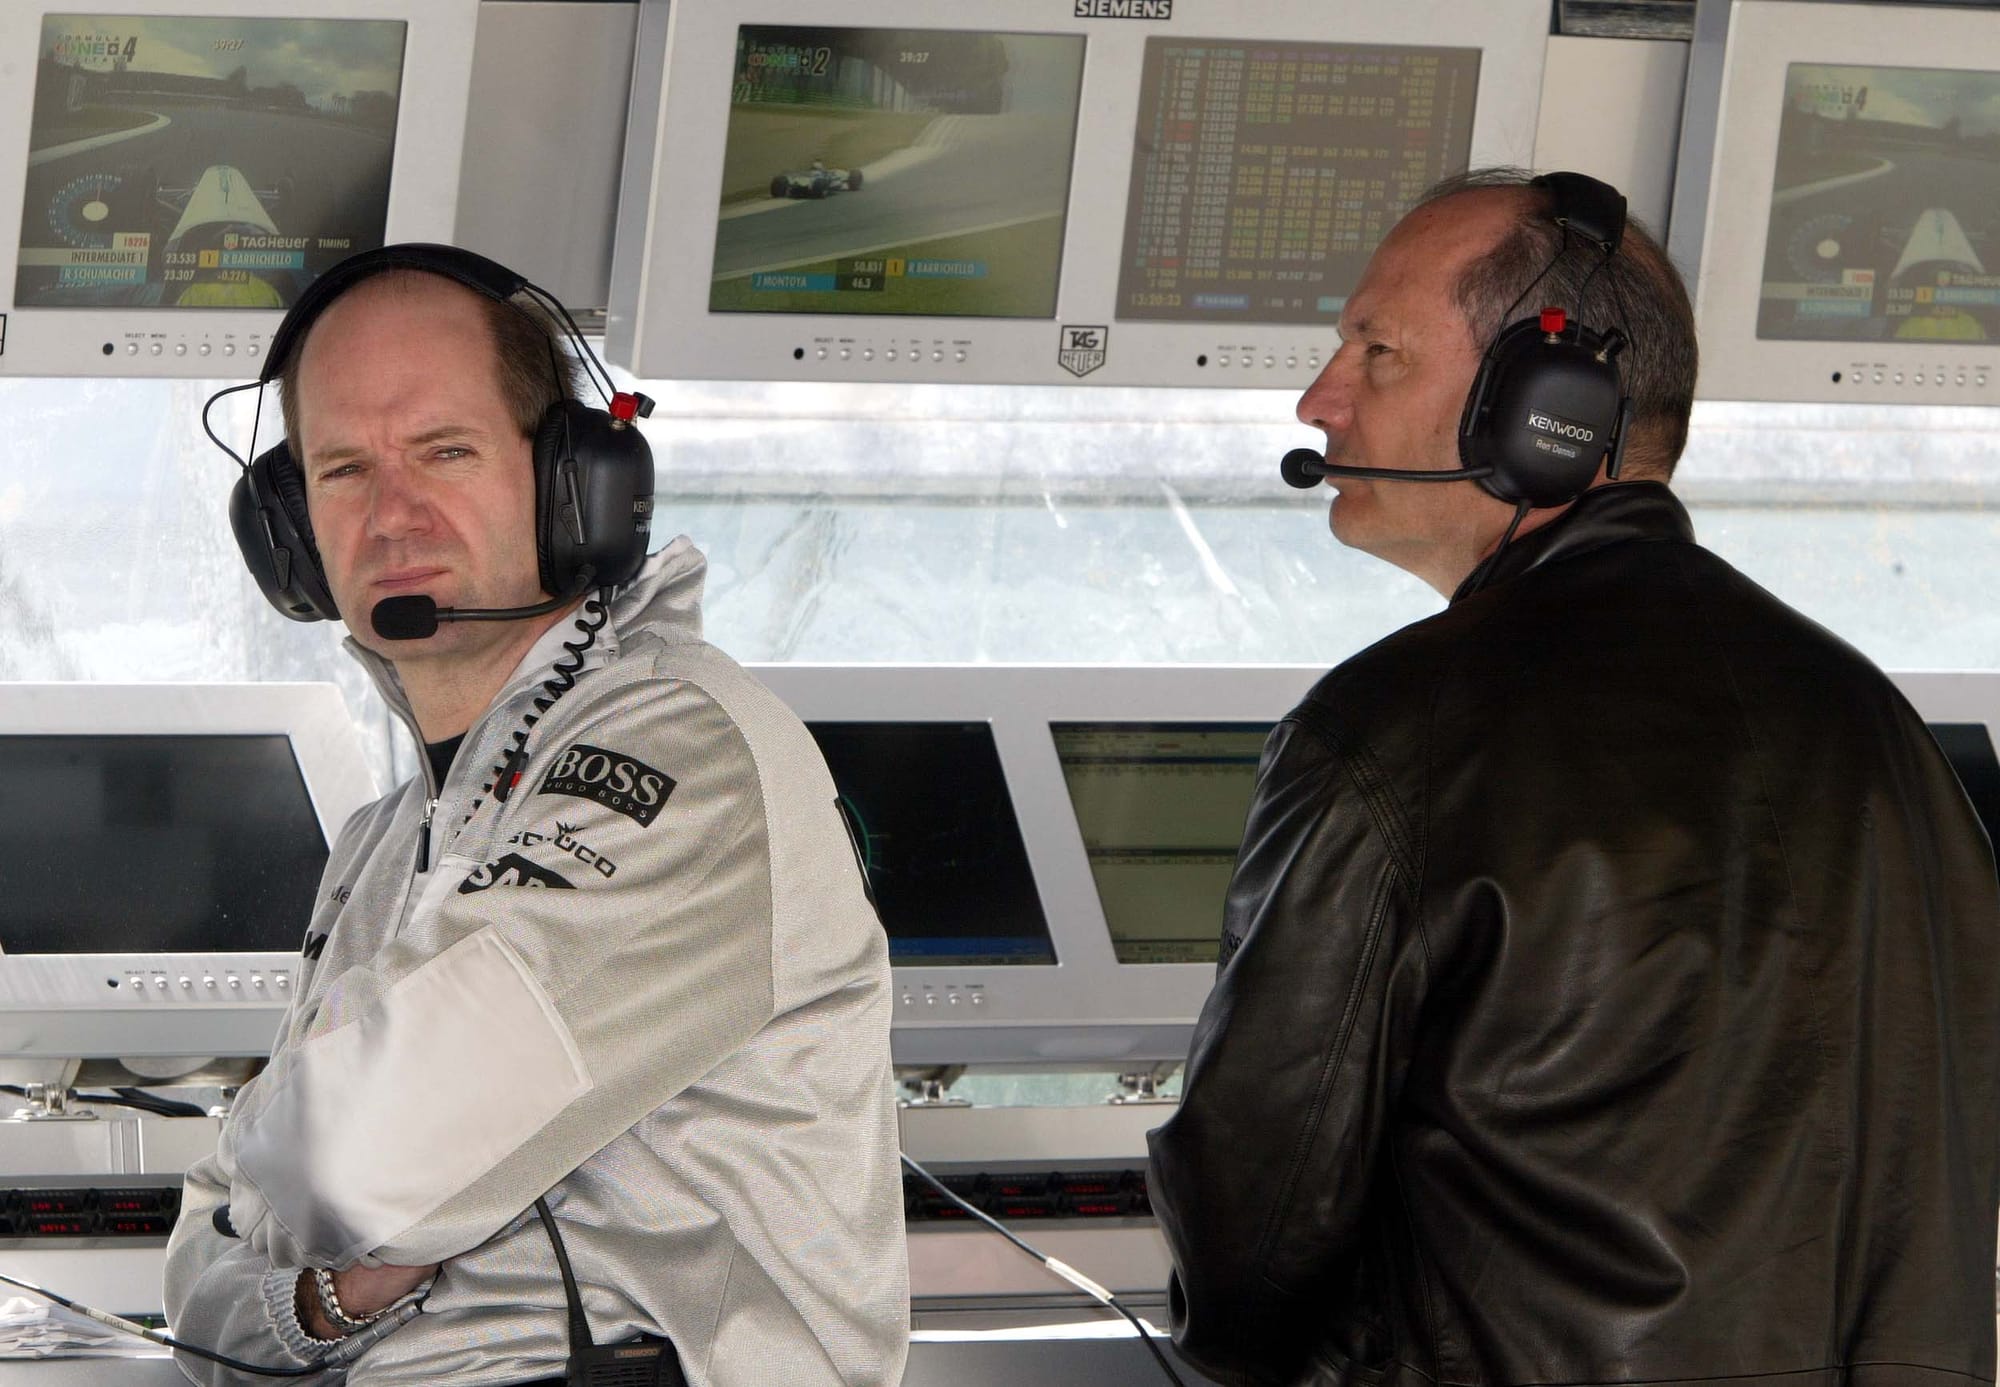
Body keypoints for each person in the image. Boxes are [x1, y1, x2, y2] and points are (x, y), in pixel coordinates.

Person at [1147, 169, 2000, 1386]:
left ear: (1544, 411)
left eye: (1376, 352)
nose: (1317, 400)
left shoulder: (1391, 729)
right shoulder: (1877, 726)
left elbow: (1253, 1242)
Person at [165, 245, 909, 1386]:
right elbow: (202, 1303)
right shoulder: (382, 841)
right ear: (290, 529)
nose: (393, 513)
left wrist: (299, 1171)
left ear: (574, 484)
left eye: (444, 451)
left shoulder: (686, 752)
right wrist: (319, 1296)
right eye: (344, 468)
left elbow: (356, 1156)